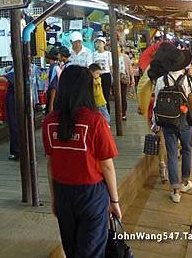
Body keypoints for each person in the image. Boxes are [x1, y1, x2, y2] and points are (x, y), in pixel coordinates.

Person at [42, 65, 120, 258]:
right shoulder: (96, 121)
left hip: (63, 194)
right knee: (91, 251)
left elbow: (50, 163)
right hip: (91, 195)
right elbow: (107, 165)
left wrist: (54, 199)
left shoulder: (50, 121)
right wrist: (114, 200)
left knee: (72, 249)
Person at [148, 42, 192, 203]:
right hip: (184, 121)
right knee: (187, 150)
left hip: (167, 122)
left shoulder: (162, 80)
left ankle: (175, 190)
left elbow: (156, 103)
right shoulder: (189, 79)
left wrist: (155, 124)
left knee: (171, 154)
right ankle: (185, 181)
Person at [92, 36, 112, 113]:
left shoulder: (108, 54)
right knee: (96, 95)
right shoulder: (94, 54)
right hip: (96, 76)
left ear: (104, 44)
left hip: (106, 75)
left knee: (105, 95)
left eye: (100, 42)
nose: (98, 44)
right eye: (97, 42)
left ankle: (107, 114)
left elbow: (111, 66)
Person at [118, 44, 134, 121]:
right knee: (117, 96)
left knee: (123, 95)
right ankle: (119, 112)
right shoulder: (111, 56)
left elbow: (130, 68)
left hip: (124, 77)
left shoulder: (125, 57)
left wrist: (132, 78)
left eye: (118, 47)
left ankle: (123, 113)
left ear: (121, 48)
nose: (117, 48)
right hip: (115, 78)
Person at [45, 47, 61, 114]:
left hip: (54, 99)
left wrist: (51, 105)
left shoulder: (53, 69)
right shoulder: (56, 67)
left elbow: (53, 88)